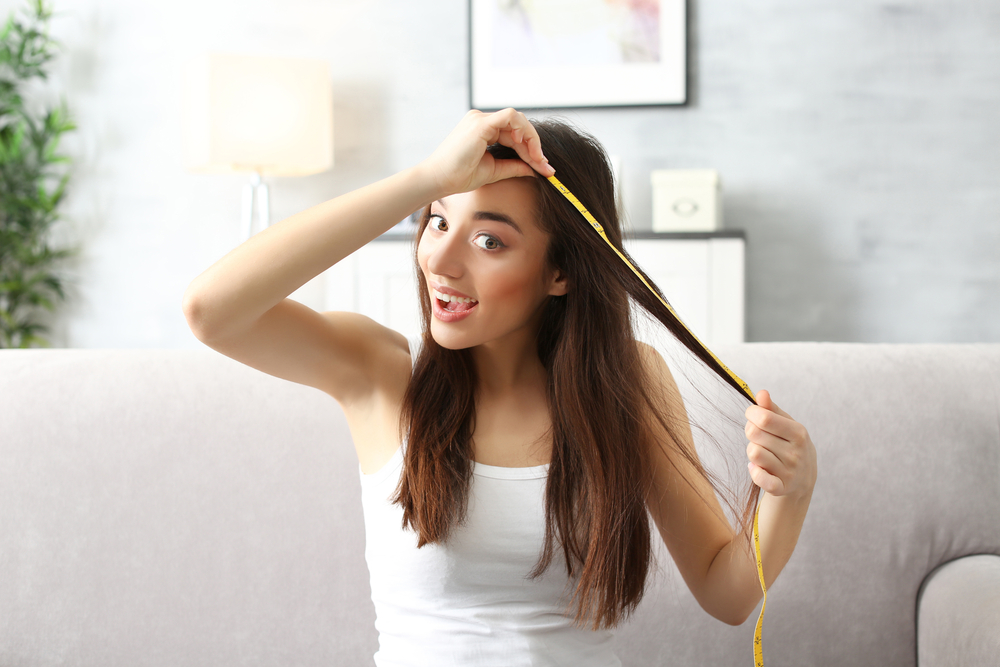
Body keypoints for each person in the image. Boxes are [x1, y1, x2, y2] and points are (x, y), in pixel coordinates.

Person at [182, 108, 818, 666]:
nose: (441, 260)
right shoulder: (379, 372)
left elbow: (727, 590)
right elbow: (212, 310)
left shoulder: (628, 382)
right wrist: (426, 178)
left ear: (561, 271)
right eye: (436, 222)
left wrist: (788, 492)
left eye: (489, 239)